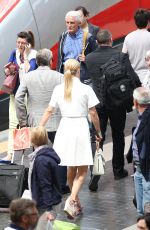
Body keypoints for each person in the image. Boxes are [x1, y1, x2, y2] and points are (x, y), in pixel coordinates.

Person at [40, 59, 101, 218]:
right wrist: (98, 131)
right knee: (82, 170)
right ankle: (72, 200)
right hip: (80, 127)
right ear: (79, 70)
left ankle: (77, 205)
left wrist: (40, 127)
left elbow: (49, 110)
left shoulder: (59, 89)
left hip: (64, 127)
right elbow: (93, 113)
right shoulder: (85, 88)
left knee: (70, 168)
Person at [85, 29, 141, 191]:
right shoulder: (120, 56)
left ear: (97, 42)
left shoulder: (89, 58)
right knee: (118, 135)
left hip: (99, 104)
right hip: (117, 102)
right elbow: (131, 76)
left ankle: (95, 171)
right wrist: (140, 90)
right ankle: (118, 170)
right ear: (111, 39)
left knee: (98, 138)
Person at [15, 49, 69, 194]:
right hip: (57, 122)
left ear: (37, 62)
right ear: (51, 61)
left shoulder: (27, 77)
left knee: (38, 155)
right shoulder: (60, 77)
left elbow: (19, 98)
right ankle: (61, 186)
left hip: (36, 124)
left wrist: (23, 120)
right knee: (60, 155)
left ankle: (41, 183)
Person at [6, 31, 37, 160]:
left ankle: (36, 150)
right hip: (15, 93)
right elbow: (8, 68)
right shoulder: (14, 52)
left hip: (28, 94)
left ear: (28, 44)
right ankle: (10, 154)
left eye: (23, 43)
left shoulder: (33, 55)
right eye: (18, 42)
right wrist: (8, 69)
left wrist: (25, 55)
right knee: (13, 123)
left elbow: (30, 72)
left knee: (31, 122)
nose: (19, 45)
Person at [29, 126, 62, 222]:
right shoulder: (47, 154)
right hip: (50, 201)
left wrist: (48, 210)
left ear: (33, 140)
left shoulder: (41, 160)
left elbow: (45, 185)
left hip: (46, 205)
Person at [57, 10, 97, 85]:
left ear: (78, 23)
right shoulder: (63, 37)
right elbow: (60, 60)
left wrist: (86, 59)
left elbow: (96, 58)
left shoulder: (88, 37)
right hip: (67, 78)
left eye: (72, 23)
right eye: (67, 22)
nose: (69, 25)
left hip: (83, 79)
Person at [130, 87, 150, 215]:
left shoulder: (147, 119)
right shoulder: (142, 116)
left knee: (147, 207)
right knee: (141, 209)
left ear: (135, 102)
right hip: (139, 167)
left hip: (146, 168)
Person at [122, 8, 150, 84]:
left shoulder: (128, 37)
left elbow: (123, 57)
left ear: (135, 22)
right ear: (148, 22)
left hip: (134, 77)